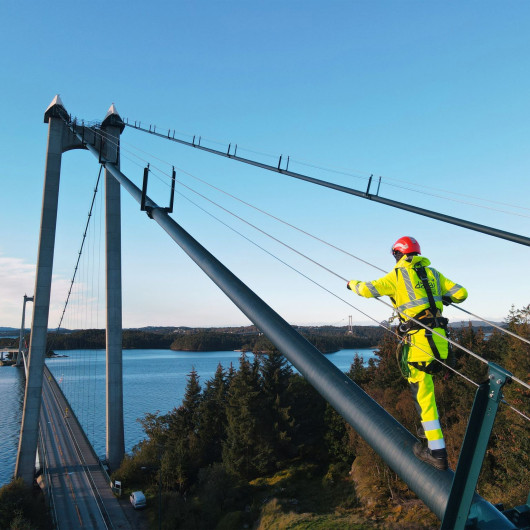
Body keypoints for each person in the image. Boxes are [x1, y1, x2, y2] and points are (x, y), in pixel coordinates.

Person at [347, 236, 467, 470]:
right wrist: (442, 297)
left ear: (397, 254)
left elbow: (367, 289)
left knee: (424, 397)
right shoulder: (434, 274)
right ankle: (426, 430)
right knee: (427, 393)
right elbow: (462, 294)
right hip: (441, 345)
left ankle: (437, 452)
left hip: (418, 346)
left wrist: (351, 284)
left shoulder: (397, 276)